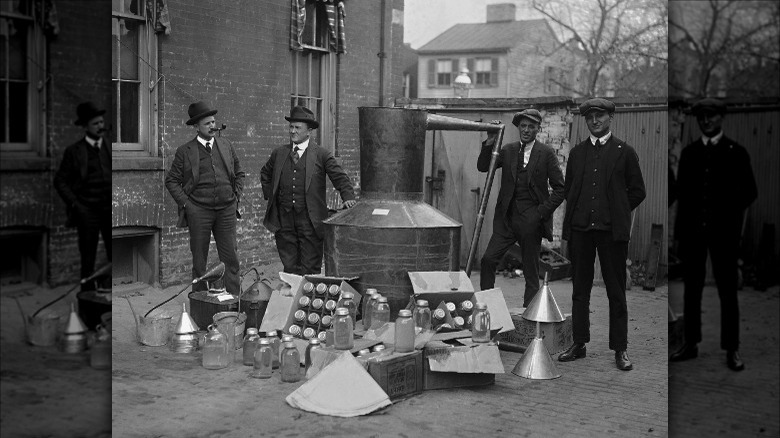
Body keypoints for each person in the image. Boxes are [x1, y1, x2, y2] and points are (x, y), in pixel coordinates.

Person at [558, 98, 646, 371]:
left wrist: (618, 211)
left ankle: (620, 349)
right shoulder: (577, 153)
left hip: (611, 233)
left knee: (616, 292)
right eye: (590, 117)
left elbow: (638, 191)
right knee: (579, 290)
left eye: (600, 116)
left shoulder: (625, 152)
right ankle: (579, 343)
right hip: (581, 230)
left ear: (610, 117)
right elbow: (571, 189)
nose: (595, 121)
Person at [670, 98, 757, 371]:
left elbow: (749, 192)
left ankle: (732, 348)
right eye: (701, 117)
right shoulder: (690, 153)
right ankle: (691, 343)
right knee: (692, 290)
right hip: (694, 234)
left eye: (711, 116)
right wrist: (679, 237)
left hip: (724, 234)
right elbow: (682, 197)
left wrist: (727, 215)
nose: (706, 121)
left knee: (727, 291)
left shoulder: (736, 152)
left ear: (721, 117)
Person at [477, 109, 565, 306]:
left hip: (531, 221)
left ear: (538, 129)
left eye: (531, 127)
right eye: (523, 126)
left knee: (531, 272)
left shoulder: (546, 153)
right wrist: (491, 140)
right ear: (518, 128)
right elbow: (483, 166)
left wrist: (540, 213)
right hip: (506, 220)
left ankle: (529, 316)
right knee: (488, 260)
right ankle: (487, 308)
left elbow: (561, 189)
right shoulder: (507, 150)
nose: (526, 130)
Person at [261, 106, 356, 275]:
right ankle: (292, 296)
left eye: (297, 127)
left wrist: (347, 196)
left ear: (309, 131)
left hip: (310, 220)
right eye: (291, 127)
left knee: (310, 267)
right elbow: (265, 173)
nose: (292, 131)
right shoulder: (279, 153)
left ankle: (308, 299)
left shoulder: (321, 154)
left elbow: (340, 177)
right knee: (290, 265)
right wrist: (272, 196)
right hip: (285, 220)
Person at [165, 101, 245, 295]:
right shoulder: (185, 151)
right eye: (207, 123)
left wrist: (235, 197)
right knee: (199, 263)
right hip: (199, 212)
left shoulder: (226, 145)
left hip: (226, 210)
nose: (212, 126)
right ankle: (200, 305)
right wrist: (188, 205)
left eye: (213, 122)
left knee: (231, 260)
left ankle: (235, 302)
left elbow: (239, 173)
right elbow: (172, 181)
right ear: (196, 127)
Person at [54, 102, 112, 291]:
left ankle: (111, 295)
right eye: (95, 123)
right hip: (88, 212)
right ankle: (87, 302)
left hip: (109, 211)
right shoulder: (74, 151)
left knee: (114, 257)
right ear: (85, 126)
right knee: (88, 258)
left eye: (101, 122)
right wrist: (76, 205)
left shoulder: (109, 146)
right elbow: (60, 181)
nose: (100, 126)